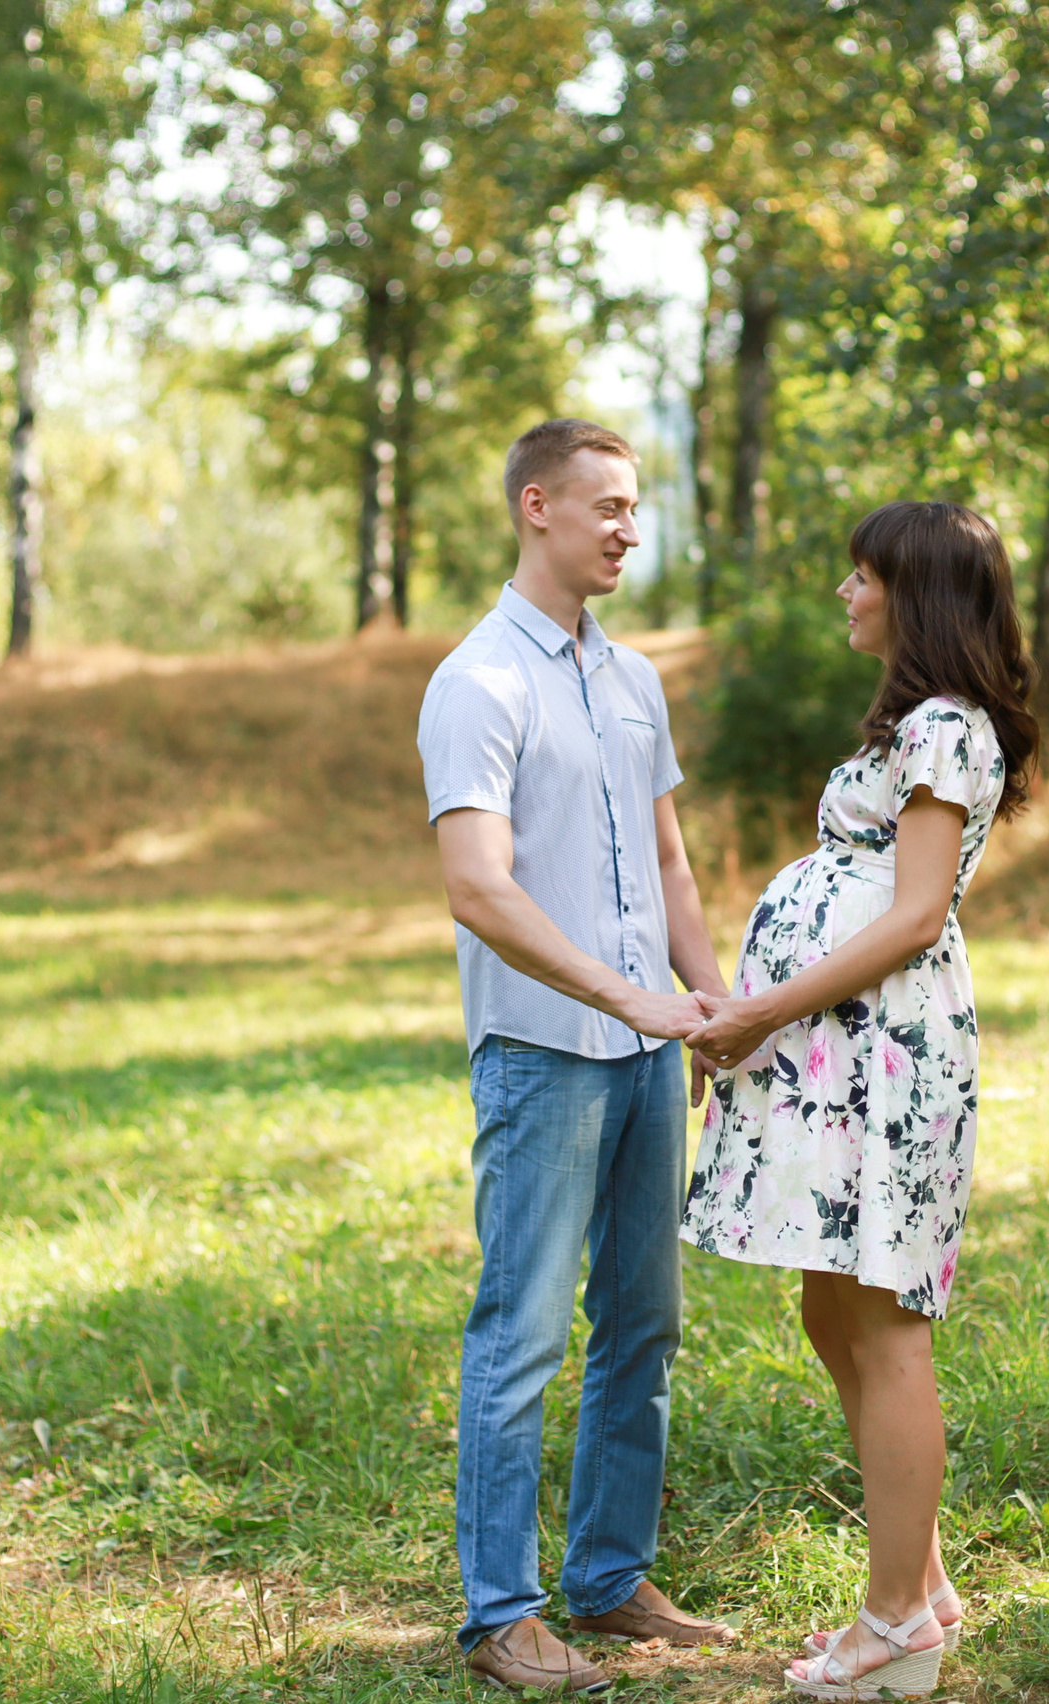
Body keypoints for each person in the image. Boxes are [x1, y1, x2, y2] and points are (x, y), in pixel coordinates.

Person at [679, 501, 1037, 1700]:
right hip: (836, 1054)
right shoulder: (918, 723)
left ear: (915, 593)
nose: (845, 592)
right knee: (830, 1312)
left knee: (882, 1323)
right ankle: (921, 1584)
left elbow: (916, 913)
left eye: (862, 575)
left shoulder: (945, 726)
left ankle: (893, 1627)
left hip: (879, 1056)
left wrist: (762, 1013)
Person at [418, 418, 740, 1694]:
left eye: (634, 509)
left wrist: (709, 1004)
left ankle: (608, 1580)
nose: (628, 531)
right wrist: (627, 997)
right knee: (522, 1334)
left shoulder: (633, 679)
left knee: (644, 1320)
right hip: (543, 1051)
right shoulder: (477, 682)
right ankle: (502, 1616)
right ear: (535, 506)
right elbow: (476, 887)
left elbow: (668, 862)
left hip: (649, 1054)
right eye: (606, 507)